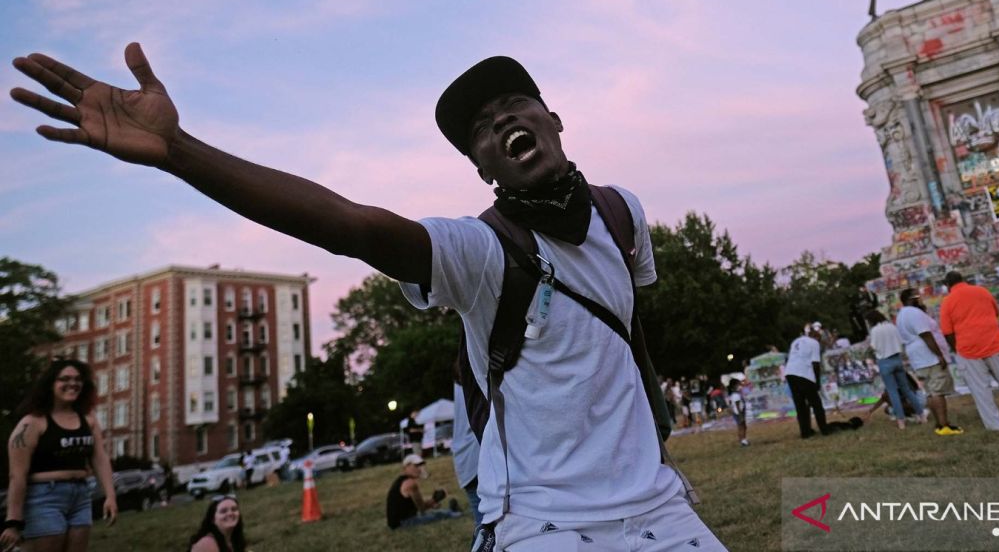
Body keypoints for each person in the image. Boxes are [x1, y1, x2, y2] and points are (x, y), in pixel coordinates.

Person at [10, 48, 723, 551]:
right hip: (543, 523)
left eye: (513, 106)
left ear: (552, 118)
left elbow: (627, 336)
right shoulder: (478, 251)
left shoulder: (622, 214)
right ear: (479, 165)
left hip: (658, 506)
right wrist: (181, 151)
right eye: (480, 129)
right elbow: (347, 224)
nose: (502, 122)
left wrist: (652, 441)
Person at [2, 359, 117, 552]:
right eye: (64, 379)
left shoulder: (88, 418)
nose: (72, 384)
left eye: (77, 379)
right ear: (50, 385)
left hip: (81, 495)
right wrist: (13, 521)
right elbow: (17, 476)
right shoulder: (32, 423)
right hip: (44, 497)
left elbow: (100, 458)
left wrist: (110, 496)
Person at [939, 271, 999, 431]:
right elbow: (995, 312)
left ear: (947, 285)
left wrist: (958, 348)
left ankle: (995, 426)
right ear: (963, 279)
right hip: (994, 343)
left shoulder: (947, 302)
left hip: (968, 350)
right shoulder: (982, 291)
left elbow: (947, 332)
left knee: (981, 390)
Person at [896, 289, 963, 436]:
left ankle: (940, 424)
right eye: (917, 296)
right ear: (911, 299)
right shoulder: (914, 313)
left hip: (919, 358)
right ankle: (944, 425)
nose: (920, 298)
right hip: (929, 356)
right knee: (938, 391)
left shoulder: (902, 314)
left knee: (931, 392)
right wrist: (939, 355)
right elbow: (926, 334)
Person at [865, 310, 925, 430]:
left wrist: (867, 355)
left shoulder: (875, 330)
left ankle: (901, 421)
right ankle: (921, 416)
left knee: (893, 393)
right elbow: (900, 342)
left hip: (884, 362)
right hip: (897, 359)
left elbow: (874, 347)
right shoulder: (892, 326)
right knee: (907, 390)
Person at [386, 455, 461, 530]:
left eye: (420, 465)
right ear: (407, 466)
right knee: (437, 515)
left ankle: (451, 511)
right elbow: (422, 508)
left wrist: (432, 501)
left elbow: (414, 504)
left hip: (399, 522)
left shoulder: (401, 481)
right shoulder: (410, 484)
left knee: (434, 513)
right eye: (416, 466)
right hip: (403, 523)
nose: (419, 469)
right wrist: (434, 500)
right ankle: (456, 513)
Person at [450, 362, 482, 528]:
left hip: (466, 461)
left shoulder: (462, 391)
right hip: (475, 459)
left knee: (484, 527)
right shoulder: (476, 387)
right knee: (487, 527)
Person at [784, 324, 829, 438]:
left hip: (790, 373)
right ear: (817, 337)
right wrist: (817, 382)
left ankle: (805, 432)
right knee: (816, 403)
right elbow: (815, 363)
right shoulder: (814, 343)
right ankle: (824, 429)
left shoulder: (796, 341)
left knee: (800, 405)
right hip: (804, 373)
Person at [726, 379, 749, 447]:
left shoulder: (734, 395)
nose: (740, 386)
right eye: (739, 384)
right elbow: (737, 406)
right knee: (742, 427)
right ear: (734, 386)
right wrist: (740, 415)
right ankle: (743, 440)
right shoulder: (736, 395)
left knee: (741, 426)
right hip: (739, 413)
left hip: (737, 413)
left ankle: (742, 439)